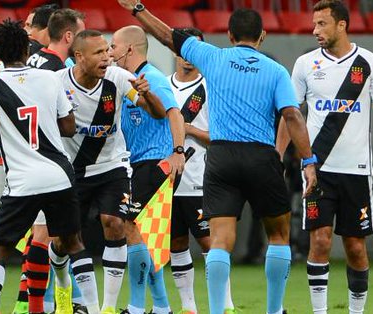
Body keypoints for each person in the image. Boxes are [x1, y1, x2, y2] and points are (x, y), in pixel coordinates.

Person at [114, 2, 318, 314]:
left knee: (220, 240)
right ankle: (275, 310)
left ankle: (216, 310)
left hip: (221, 157)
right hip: (261, 155)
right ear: (262, 36)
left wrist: (138, 9)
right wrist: (307, 161)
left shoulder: (214, 57)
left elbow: (168, 36)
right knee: (278, 235)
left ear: (229, 34)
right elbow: (292, 115)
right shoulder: (275, 70)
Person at [0, 19, 99, 314]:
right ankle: (96, 309)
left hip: (22, 182)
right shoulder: (50, 79)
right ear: (26, 49)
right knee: (73, 243)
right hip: (59, 176)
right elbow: (68, 127)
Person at [276, 1, 373, 313]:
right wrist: (277, 157)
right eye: (314, 24)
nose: (315, 30)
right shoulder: (304, 64)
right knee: (320, 242)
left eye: (322, 24)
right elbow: (290, 114)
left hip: (357, 171)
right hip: (318, 170)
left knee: (355, 247)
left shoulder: (369, 63)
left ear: (342, 25)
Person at [57, 29, 165, 314]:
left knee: (115, 223)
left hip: (112, 165)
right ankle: (62, 282)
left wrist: (147, 94)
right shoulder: (58, 83)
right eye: (98, 53)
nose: (106, 57)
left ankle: (104, 308)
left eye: (107, 51)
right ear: (79, 57)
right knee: (63, 241)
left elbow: (158, 112)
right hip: (73, 170)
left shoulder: (117, 78)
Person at [109, 25, 185, 314]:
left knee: (132, 229)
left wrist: (177, 152)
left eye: (114, 45)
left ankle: (137, 307)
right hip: (140, 164)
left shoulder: (151, 77)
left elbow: (174, 113)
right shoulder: (127, 80)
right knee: (144, 237)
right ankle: (163, 307)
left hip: (154, 163)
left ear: (129, 48)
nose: (110, 51)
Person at [165, 27, 236, 314]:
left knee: (210, 242)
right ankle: (188, 306)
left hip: (202, 178)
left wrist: (188, 129)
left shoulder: (211, 87)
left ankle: (226, 304)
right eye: (183, 50)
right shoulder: (163, 86)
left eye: (194, 50)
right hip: (170, 178)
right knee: (177, 242)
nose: (187, 58)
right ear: (175, 51)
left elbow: (221, 134)